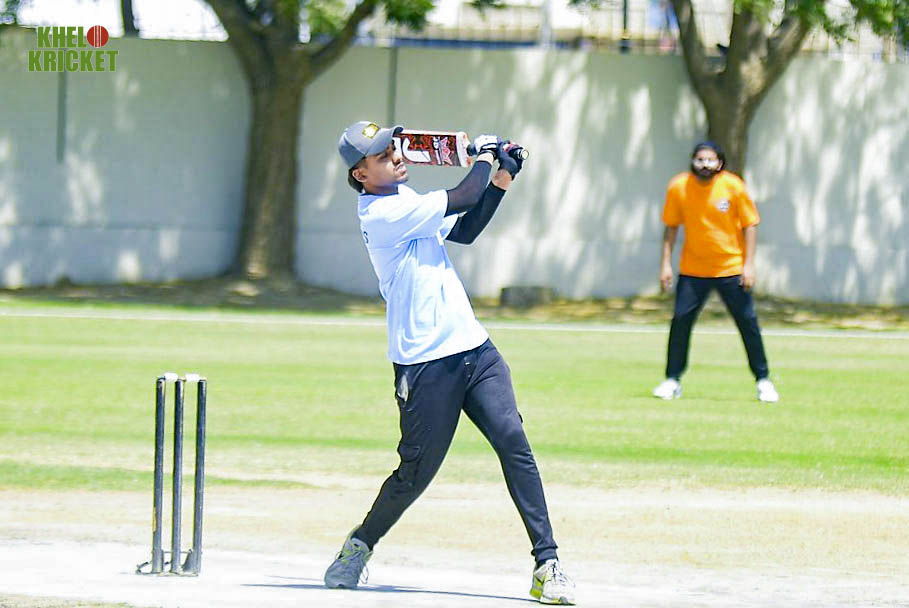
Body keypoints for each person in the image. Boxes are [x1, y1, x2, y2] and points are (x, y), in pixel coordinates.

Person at [324, 121, 576, 605]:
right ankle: (361, 543)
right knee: (415, 474)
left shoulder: (405, 199)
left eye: (394, 149)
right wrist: (484, 154)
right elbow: (462, 196)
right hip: (425, 363)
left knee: (513, 441)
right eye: (383, 156)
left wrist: (502, 177)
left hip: (474, 349)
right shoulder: (381, 213)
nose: (397, 157)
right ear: (360, 174)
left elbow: (465, 229)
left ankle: (547, 563)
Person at [653, 141, 780, 403]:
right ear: (692, 161)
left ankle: (763, 380)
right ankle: (672, 380)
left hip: (730, 268)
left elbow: (750, 224)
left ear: (719, 163)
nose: (705, 165)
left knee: (747, 322)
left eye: (710, 160)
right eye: (700, 160)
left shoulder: (733, 186)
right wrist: (665, 264)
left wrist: (748, 265)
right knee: (680, 322)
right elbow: (671, 227)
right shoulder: (679, 186)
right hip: (693, 270)